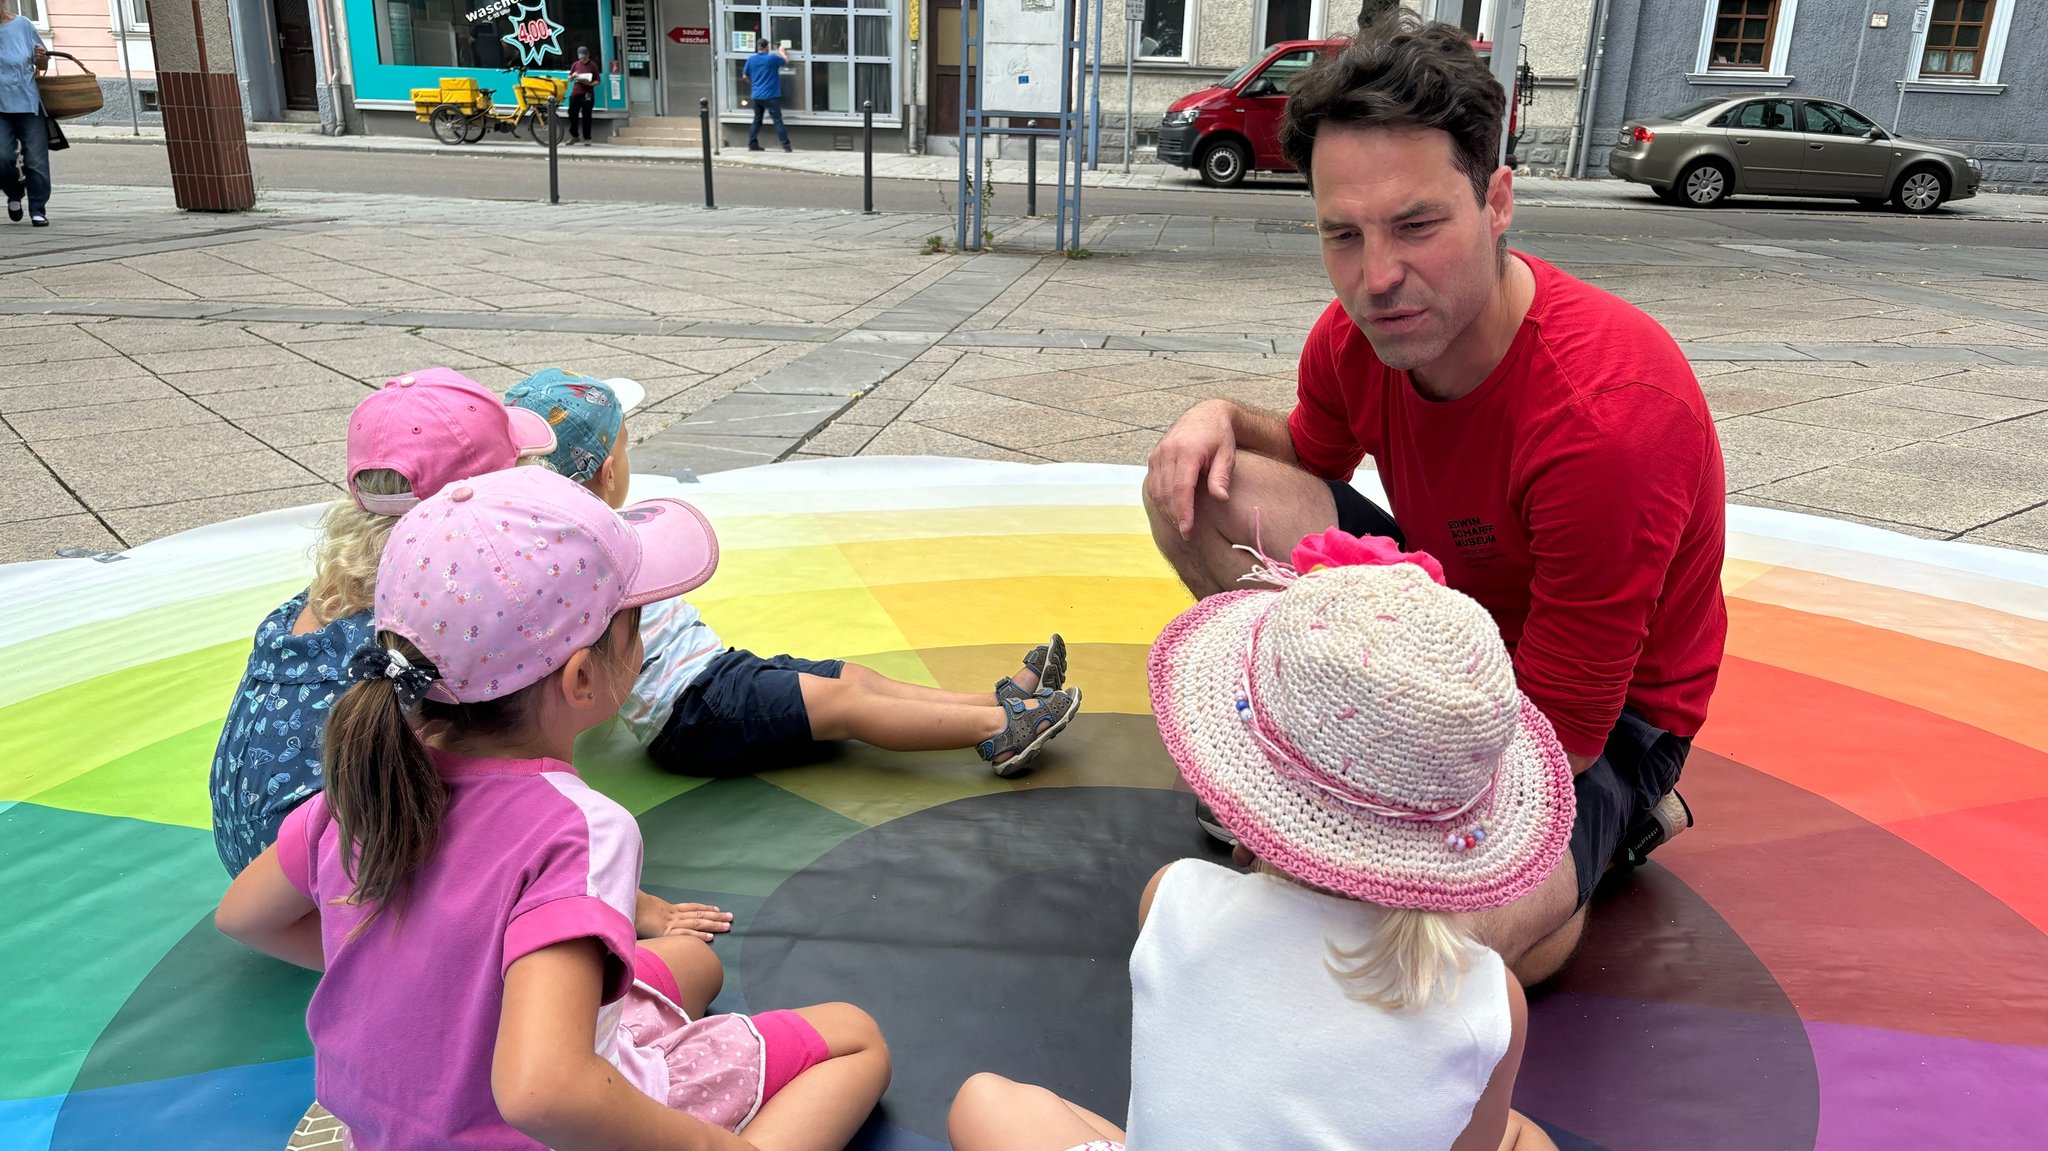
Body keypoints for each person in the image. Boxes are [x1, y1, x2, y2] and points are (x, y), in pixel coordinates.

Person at [1140, 12, 1726, 986]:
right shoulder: (1352, 336)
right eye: (1341, 234)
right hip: (1444, 620)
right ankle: (1494, 873)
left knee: (1407, 960)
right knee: (1200, 487)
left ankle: (1605, 842)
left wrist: (1328, 826)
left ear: (1496, 200)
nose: (1376, 278)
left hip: (1605, 718)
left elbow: (1563, 728)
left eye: (1415, 225)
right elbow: (1308, 453)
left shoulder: (1604, 419)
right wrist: (1215, 416)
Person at [215, 466, 892, 1149]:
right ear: (581, 676)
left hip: (388, 1129)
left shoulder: (366, 781)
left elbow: (244, 916)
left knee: (691, 960)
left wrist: (429, 991)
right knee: (853, 1039)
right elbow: (544, 1090)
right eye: (635, 623)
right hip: (548, 1131)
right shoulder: (578, 828)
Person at [948, 537, 1565, 1151]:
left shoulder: (1174, 900)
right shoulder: (1490, 1002)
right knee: (1522, 1138)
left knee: (987, 1101)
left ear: (1244, 787)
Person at [206, 368, 730, 943]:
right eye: (524, 471)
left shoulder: (349, 586)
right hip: (335, 874)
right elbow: (475, 777)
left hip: (261, 853)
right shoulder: (445, 617)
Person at [505, 368, 1083, 778]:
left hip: (715, 673)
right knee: (847, 706)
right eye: (628, 451)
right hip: (692, 715)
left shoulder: (574, 535)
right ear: (608, 472)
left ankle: (992, 702)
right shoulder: (590, 552)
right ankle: (996, 732)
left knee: (852, 679)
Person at [0, 0, 51, 227]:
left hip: (27, 102)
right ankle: (14, 192)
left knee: (36, 160)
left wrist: (41, 58)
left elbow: (43, 62)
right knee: (3, 158)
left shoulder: (23, 25)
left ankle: (38, 208)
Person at [743, 41, 791, 152]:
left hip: (756, 95)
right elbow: (787, 61)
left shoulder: (751, 59)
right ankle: (786, 146)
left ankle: (752, 144)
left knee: (757, 120)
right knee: (777, 120)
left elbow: (745, 76)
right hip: (771, 96)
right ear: (766, 47)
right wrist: (782, 52)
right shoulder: (772, 58)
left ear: (758, 47)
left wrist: (753, 84)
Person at [567, 45, 598, 145]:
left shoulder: (593, 65)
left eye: (584, 57)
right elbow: (569, 78)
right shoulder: (575, 64)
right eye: (581, 58)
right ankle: (574, 136)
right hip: (576, 92)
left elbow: (597, 81)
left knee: (587, 116)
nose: (582, 60)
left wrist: (591, 84)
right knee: (572, 114)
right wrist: (573, 75)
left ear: (588, 55)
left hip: (587, 93)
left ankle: (587, 138)